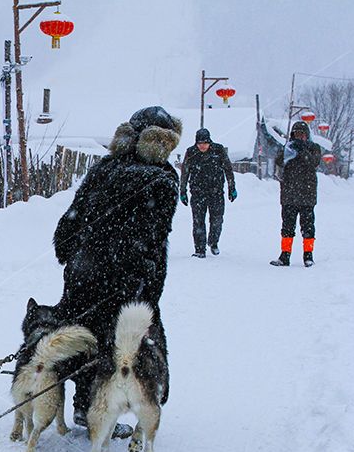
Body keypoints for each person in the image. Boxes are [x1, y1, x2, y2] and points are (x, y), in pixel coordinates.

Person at [52, 106, 181, 429]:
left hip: (84, 271)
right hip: (124, 278)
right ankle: (104, 409)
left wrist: (72, 253)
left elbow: (73, 215)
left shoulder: (105, 167)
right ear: (159, 142)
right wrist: (145, 283)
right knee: (118, 346)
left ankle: (82, 406)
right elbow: (152, 237)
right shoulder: (161, 178)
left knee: (83, 338)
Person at [272, 120, 322, 267]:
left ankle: (308, 256)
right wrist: (287, 151)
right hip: (289, 195)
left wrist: (302, 151)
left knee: (308, 227)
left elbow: (313, 162)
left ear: (307, 135)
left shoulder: (314, 148)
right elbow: (279, 163)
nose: (299, 137)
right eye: (296, 134)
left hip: (307, 195)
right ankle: (284, 256)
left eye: (302, 134)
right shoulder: (287, 149)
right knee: (287, 227)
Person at [179, 128, 236, 257]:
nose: (202, 146)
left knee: (217, 220)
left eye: (205, 143)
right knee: (198, 221)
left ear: (209, 142)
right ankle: (199, 249)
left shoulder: (218, 150)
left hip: (216, 192)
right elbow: (185, 173)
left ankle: (213, 242)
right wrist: (182, 191)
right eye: (199, 144)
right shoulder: (191, 152)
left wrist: (232, 188)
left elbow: (228, 169)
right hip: (198, 193)